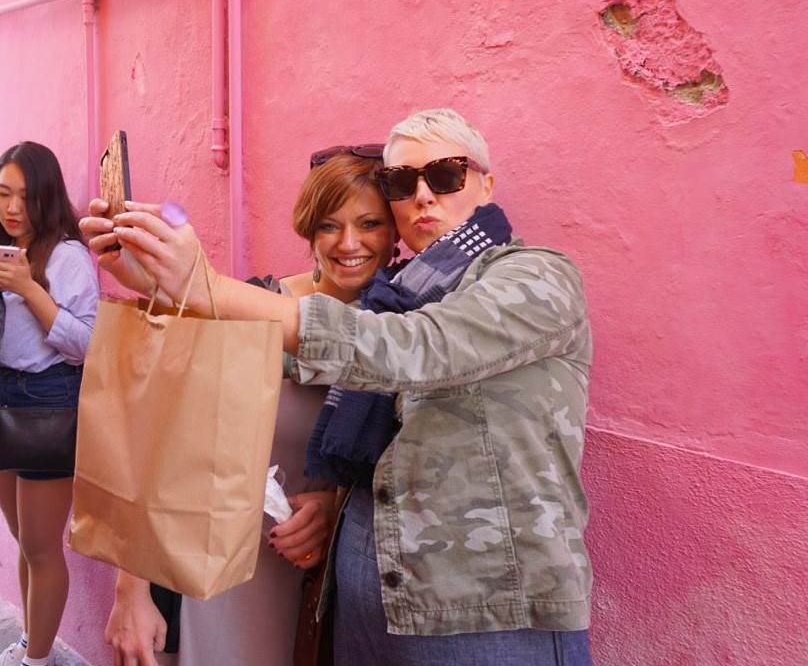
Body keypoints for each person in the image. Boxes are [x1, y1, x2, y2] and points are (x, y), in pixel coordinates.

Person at [83, 109, 594, 665]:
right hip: (365, 604)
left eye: (446, 175)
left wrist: (207, 287)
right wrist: (158, 286)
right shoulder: (394, 298)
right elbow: (244, 360)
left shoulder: (536, 275)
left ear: (485, 184)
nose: (423, 196)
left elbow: (412, 348)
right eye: (402, 182)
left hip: (488, 616)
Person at [101, 147, 396, 665]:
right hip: (219, 577)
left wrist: (334, 506)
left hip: (324, 590)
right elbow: (166, 442)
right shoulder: (252, 305)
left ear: (394, 232)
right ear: (309, 232)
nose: (349, 243)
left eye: (369, 223)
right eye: (329, 225)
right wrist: (132, 589)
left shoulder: (409, 334)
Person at [0, 142, 100, 666]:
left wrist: (29, 289)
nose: (13, 208)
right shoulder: (3, 248)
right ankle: (29, 640)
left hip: (46, 402)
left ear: (48, 196)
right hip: (4, 396)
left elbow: (88, 345)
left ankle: (37, 661)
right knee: (23, 539)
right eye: (3, 194)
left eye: (25, 195)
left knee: (42, 547)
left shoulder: (66, 256)